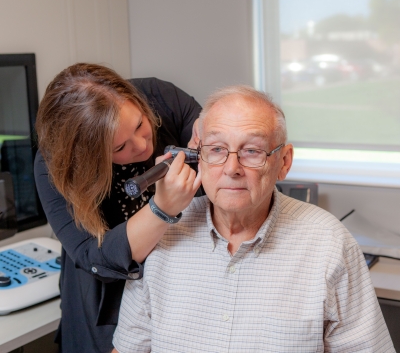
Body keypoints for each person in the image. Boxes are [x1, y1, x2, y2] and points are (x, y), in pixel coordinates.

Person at [112, 85, 395, 352]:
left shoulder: (329, 243)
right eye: (217, 149)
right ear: (198, 157)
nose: (232, 168)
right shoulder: (161, 235)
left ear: (283, 162)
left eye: (252, 151)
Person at [34, 63, 203, 353]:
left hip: (181, 285)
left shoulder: (161, 97)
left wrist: (213, 132)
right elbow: (95, 256)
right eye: (119, 148)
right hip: (106, 304)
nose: (141, 146)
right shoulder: (55, 167)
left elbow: (220, 153)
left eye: (139, 125)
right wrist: (161, 209)